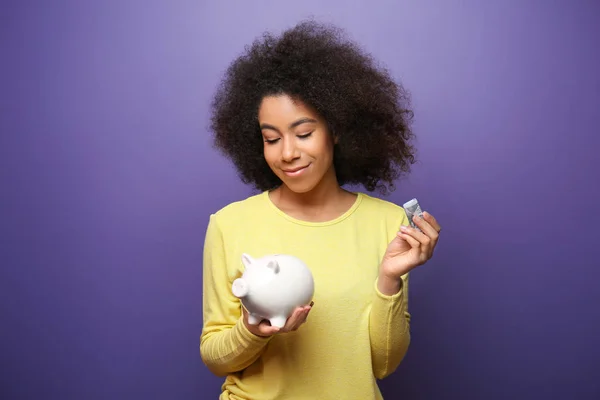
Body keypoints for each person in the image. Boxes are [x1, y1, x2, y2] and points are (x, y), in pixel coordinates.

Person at [200, 20, 441, 400]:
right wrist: (252, 330)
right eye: (271, 138)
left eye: (304, 133)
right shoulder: (229, 224)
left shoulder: (388, 224)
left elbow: (383, 364)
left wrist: (389, 279)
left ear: (337, 130)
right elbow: (216, 358)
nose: (288, 153)